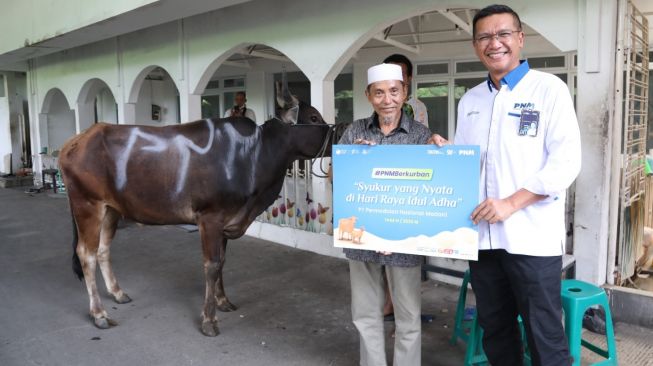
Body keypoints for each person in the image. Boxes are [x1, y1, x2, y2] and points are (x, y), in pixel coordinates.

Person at [455, 4, 581, 365]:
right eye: (484, 37)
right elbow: (470, 161)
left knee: (545, 337)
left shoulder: (549, 90)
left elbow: (566, 162)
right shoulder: (470, 101)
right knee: (496, 332)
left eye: (503, 34)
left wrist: (511, 203)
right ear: (476, 45)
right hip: (481, 239)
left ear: (520, 39)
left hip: (531, 240)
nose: (494, 43)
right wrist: (447, 156)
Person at [336, 63, 432, 366]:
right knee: (365, 315)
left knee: (408, 317)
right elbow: (337, 179)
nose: (387, 99)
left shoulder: (420, 135)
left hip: (404, 243)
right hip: (363, 238)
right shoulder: (354, 131)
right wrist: (353, 158)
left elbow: (430, 187)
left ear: (404, 93)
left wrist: (444, 153)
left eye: (394, 91)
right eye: (379, 92)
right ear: (369, 96)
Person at [383, 54, 429, 129]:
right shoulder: (379, 102)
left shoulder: (417, 106)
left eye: (400, 74)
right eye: (390, 73)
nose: (395, 78)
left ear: (409, 79)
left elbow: (422, 136)